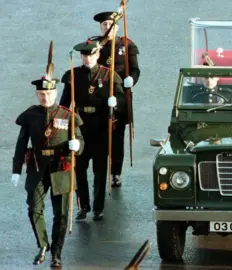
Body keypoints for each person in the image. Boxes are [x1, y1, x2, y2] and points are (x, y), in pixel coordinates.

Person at [11, 74, 84, 267]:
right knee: (34, 208)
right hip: (37, 167)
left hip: (61, 167)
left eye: (49, 93)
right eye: (41, 94)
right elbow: (21, 144)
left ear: (55, 93)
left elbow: (80, 140)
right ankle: (43, 245)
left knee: (61, 214)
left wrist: (77, 145)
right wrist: (16, 170)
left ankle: (56, 253)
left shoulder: (67, 114)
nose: (45, 97)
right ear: (37, 95)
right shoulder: (31, 115)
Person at [59, 39, 126, 221]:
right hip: (80, 126)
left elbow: (121, 99)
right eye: (84, 56)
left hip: (100, 126)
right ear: (81, 56)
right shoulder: (73, 75)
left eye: (91, 55)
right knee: (79, 168)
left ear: (97, 55)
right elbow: (64, 104)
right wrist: (62, 127)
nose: (87, 59)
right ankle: (83, 206)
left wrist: (115, 102)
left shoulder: (108, 76)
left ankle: (98, 207)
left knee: (99, 168)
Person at [92, 11, 141, 187]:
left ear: (117, 26)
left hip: (120, 96)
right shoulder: (94, 44)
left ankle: (115, 173)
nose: (107, 27)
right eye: (104, 24)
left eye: (111, 24)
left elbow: (135, 70)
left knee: (117, 137)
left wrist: (131, 81)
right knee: (99, 136)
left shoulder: (127, 45)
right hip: (98, 97)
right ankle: (100, 171)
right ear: (100, 27)